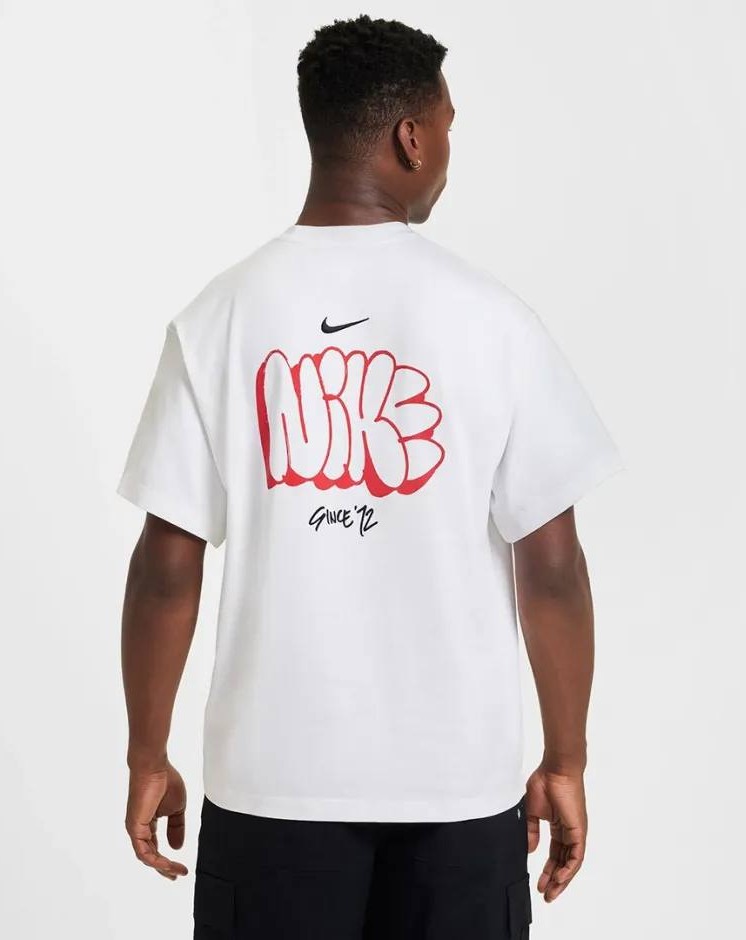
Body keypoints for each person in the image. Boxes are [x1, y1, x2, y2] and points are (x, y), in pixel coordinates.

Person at [116, 14, 625, 939]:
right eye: (449, 127)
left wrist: (146, 752)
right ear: (410, 137)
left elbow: (165, 566)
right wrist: (566, 758)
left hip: (271, 787)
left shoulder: (218, 318)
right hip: (458, 790)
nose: (449, 154)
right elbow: (552, 568)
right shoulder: (495, 322)